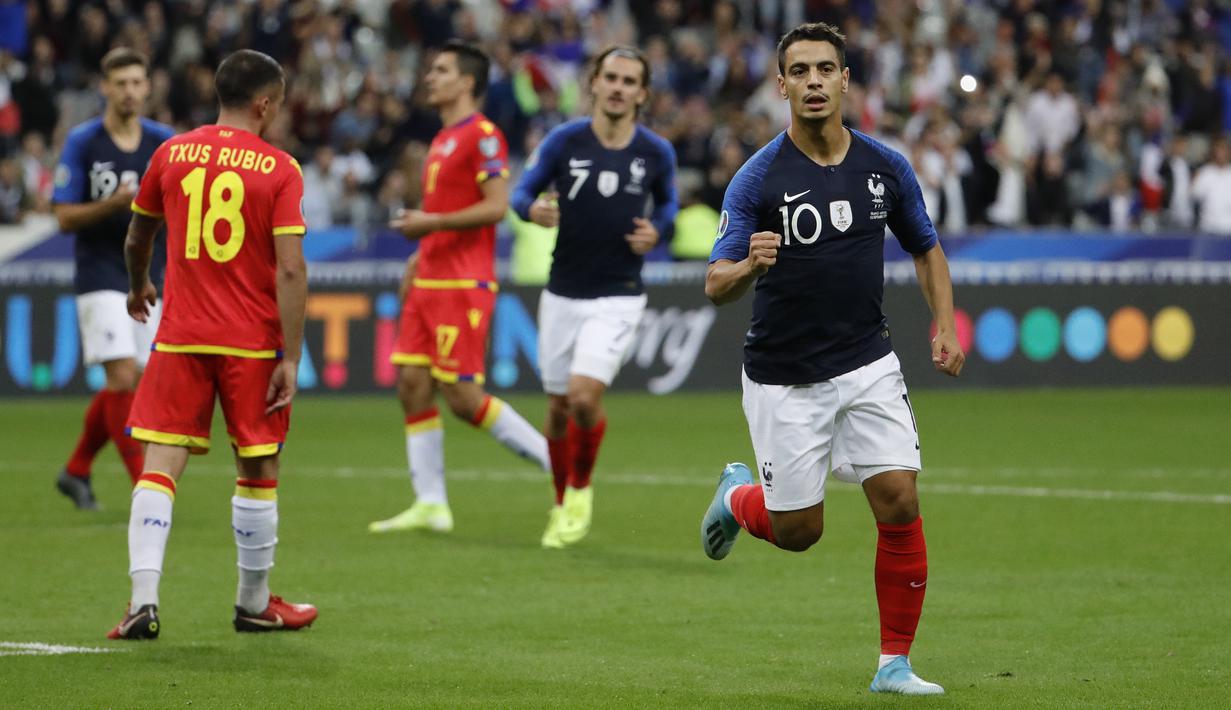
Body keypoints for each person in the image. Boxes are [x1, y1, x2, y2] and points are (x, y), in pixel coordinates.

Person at [699, 23, 964, 695]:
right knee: (797, 534)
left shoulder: (884, 166)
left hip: (867, 359)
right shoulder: (756, 180)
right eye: (800, 71)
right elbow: (713, 283)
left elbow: (925, 247)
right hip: (785, 377)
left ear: (846, 80)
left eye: (825, 69)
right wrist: (748, 268)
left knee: (898, 496)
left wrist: (942, 325)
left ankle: (892, 664)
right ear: (781, 84)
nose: (813, 81)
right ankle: (736, 497)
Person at [108, 49, 316, 639]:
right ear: (265, 103)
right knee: (258, 462)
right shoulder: (280, 169)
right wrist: (293, 357)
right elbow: (292, 270)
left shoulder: (170, 153)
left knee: (160, 465)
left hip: (180, 335)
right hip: (250, 342)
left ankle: (141, 601)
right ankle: (253, 602)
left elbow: (136, 235)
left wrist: (138, 285)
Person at [370, 41, 550, 535]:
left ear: (466, 82)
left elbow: (497, 206)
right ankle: (431, 503)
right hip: (429, 276)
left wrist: (431, 223)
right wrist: (417, 254)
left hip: (461, 281)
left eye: (441, 70)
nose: (430, 77)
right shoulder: (442, 138)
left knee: (463, 397)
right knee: (411, 385)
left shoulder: (483, 136)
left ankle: (558, 467)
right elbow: (441, 215)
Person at [511, 46, 678, 548]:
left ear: (642, 93)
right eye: (611, 77)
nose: (618, 87)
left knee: (584, 397)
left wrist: (660, 230)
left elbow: (669, 203)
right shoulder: (564, 141)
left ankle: (580, 490)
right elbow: (521, 193)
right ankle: (561, 500)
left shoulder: (655, 152)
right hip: (563, 290)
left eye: (629, 80)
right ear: (594, 83)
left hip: (620, 293)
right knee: (559, 405)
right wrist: (530, 210)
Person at [51, 48, 175, 510]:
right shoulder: (84, 142)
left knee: (132, 382)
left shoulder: (163, 141)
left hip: (147, 275)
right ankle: (146, 491)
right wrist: (114, 205)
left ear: (147, 87)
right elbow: (63, 216)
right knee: (122, 375)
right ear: (104, 87)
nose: (128, 91)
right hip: (100, 272)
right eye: (119, 83)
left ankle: (76, 469)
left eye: (136, 82)